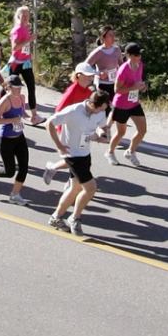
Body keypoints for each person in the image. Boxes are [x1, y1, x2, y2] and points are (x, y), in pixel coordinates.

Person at [46, 88, 111, 237]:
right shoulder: (74, 110)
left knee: (75, 188)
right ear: (93, 104)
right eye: (100, 109)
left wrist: (102, 134)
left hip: (85, 153)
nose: (102, 112)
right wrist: (59, 146)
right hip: (72, 154)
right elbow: (49, 123)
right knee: (90, 188)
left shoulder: (100, 111)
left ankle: (56, 217)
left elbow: (102, 127)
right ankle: (74, 218)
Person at [39, 64, 100, 185]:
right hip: (69, 130)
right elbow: (58, 112)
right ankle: (71, 183)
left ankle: (55, 170)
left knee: (81, 157)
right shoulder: (72, 91)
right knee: (75, 158)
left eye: (92, 76)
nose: (91, 78)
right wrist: (61, 131)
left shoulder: (89, 91)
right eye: (88, 75)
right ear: (79, 76)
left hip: (82, 131)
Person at [0, 81, 34, 204]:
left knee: (24, 167)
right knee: (9, 172)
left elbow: (22, 112)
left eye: (20, 87)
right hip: (6, 140)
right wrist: (12, 120)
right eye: (16, 87)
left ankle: (15, 195)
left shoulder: (22, 97)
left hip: (19, 137)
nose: (19, 90)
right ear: (8, 88)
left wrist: (29, 117)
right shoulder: (5, 101)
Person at [106, 43, 148, 166]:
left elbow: (138, 81)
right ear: (128, 55)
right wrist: (133, 88)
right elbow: (117, 90)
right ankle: (110, 152)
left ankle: (130, 151)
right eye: (136, 54)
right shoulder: (123, 69)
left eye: (140, 53)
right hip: (121, 105)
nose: (139, 56)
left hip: (134, 103)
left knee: (142, 130)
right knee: (121, 133)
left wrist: (142, 86)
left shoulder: (140, 65)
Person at [8, 5, 37, 119]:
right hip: (16, 63)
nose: (25, 17)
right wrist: (29, 40)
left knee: (31, 87)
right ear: (18, 16)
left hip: (25, 62)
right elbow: (15, 47)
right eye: (23, 15)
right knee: (12, 88)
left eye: (27, 15)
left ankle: (34, 115)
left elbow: (25, 46)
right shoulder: (17, 29)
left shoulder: (26, 28)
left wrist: (29, 54)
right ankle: (5, 108)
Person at [87, 28, 123, 100]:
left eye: (113, 35)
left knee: (115, 107)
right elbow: (85, 67)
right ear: (103, 37)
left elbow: (122, 66)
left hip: (116, 84)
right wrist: (99, 73)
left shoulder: (117, 49)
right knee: (105, 108)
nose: (113, 37)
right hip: (103, 85)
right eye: (110, 35)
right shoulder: (97, 52)